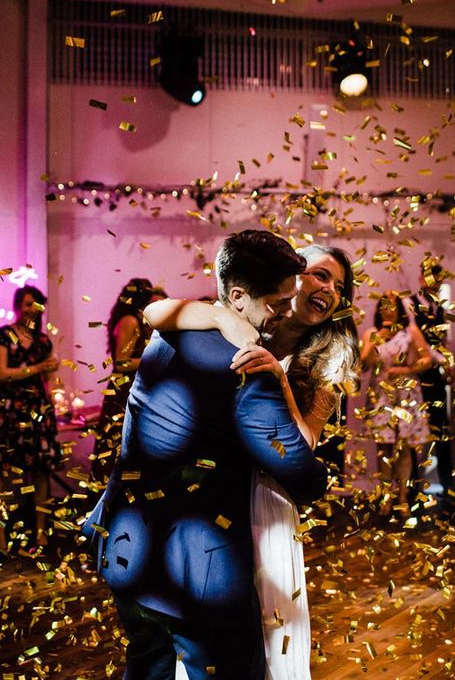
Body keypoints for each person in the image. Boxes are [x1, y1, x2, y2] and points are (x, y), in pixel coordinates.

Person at [84, 230, 330, 679]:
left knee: (146, 669)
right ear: (237, 296)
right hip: (197, 570)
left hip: (125, 548)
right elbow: (303, 476)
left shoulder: (168, 336)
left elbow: (159, 312)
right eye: (276, 304)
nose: (281, 315)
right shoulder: (247, 368)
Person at [143, 243, 360, 680]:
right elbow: (155, 312)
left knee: (262, 634)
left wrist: (278, 378)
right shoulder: (231, 323)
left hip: (265, 503)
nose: (330, 289)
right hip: (204, 503)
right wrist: (220, 316)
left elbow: (303, 447)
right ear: (289, 280)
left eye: (339, 285)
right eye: (320, 275)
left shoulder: (327, 363)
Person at [0, 285, 60, 551]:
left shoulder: (43, 340)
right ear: (17, 307)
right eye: (27, 305)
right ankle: (2, 534)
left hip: (38, 410)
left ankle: (40, 531)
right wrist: (37, 368)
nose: (31, 311)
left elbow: (46, 381)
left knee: (41, 472)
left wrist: (50, 374)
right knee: (6, 473)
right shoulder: (4, 336)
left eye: (36, 306)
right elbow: (2, 373)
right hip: (11, 410)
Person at [361, 291, 433, 515]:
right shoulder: (372, 333)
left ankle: (402, 497)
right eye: (382, 305)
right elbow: (363, 365)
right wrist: (377, 340)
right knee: (384, 448)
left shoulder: (409, 332)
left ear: (399, 309)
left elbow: (427, 359)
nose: (386, 309)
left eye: (390, 305)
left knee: (403, 449)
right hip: (381, 395)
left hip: (406, 395)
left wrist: (405, 370)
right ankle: (386, 496)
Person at [91, 278, 156, 487]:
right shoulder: (130, 321)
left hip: (129, 387)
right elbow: (120, 362)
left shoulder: (136, 318)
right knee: (117, 444)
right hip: (123, 390)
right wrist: (152, 358)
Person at [410, 260, 454, 500]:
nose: (435, 284)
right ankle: (412, 488)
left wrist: (447, 363)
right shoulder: (410, 304)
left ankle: (446, 487)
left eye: (439, 280)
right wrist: (440, 359)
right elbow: (414, 341)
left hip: (434, 375)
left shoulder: (440, 309)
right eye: (431, 279)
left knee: (440, 429)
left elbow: (442, 342)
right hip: (415, 375)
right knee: (414, 434)